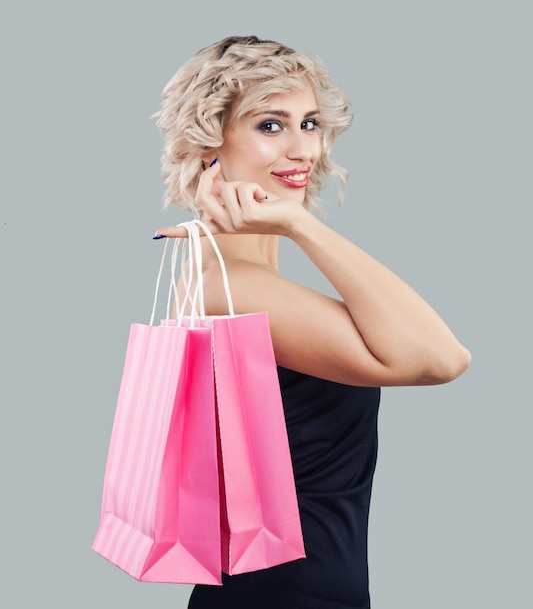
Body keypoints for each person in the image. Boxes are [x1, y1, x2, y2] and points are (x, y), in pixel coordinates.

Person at [152, 35, 471, 609]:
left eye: (311, 124)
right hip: (282, 594)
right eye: (270, 125)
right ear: (209, 144)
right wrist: (305, 227)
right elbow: (439, 358)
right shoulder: (232, 290)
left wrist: (291, 226)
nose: (303, 149)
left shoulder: (239, 281)